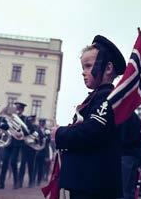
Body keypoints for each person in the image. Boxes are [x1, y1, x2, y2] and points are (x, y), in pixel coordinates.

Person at [54, 35, 126, 199]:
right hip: (87, 184)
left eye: (88, 66)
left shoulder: (108, 97)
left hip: (94, 187)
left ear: (107, 68)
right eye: (83, 67)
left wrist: (59, 133)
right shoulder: (97, 97)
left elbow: (92, 131)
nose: (83, 72)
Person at [0, 102, 32, 189]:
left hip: (17, 143)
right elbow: (1, 125)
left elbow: (29, 130)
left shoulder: (25, 119)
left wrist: (21, 132)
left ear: (22, 109)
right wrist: (7, 125)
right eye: (17, 108)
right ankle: (1, 183)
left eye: (19, 108)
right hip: (8, 142)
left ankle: (16, 182)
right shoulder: (9, 117)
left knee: (13, 162)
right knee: (4, 162)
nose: (17, 110)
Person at [120, 112, 141, 199]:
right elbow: (140, 139)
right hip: (133, 156)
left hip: (125, 155)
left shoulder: (125, 116)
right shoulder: (136, 118)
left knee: (123, 189)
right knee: (130, 189)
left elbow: (122, 137)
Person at [19, 115, 38, 188]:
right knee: (22, 165)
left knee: (31, 166)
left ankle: (31, 182)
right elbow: (23, 134)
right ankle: (20, 181)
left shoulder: (36, 128)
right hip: (25, 147)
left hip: (32, 149)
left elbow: (39, 138)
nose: (31, 122)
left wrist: (36, 139)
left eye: (32, 121)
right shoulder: (25, 127)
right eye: (29, 121)